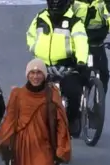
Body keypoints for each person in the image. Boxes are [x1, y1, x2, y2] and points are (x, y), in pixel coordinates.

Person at [26, 0, 89, 136]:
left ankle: (72, 121)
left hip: (67, 66)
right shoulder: (40, 17)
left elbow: (81, 43)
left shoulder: (74, 21)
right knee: (30, 95)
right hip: (43, 65)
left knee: (73, 92)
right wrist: (35, 48)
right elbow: (30, 35)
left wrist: (81, 61)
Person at [72, 0, 110, 92]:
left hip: (96, 40)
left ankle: (100, 102)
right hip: (76, 40)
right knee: (75, 74)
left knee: (104, 74)